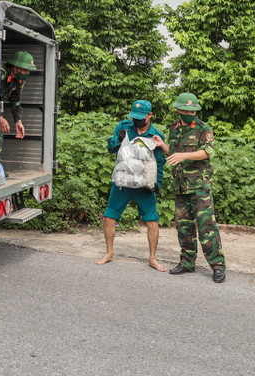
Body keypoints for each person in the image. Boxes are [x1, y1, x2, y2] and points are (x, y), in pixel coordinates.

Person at [156, 93, 226, 282]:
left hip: (199, 187)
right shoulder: (174, 129)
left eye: (192, 110)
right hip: (180, 186)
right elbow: (175, 154)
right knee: (183, 227)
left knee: (207, 227)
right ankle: (187, 262)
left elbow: (207, 152)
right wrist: (163, 145)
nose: (189, 113)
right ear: (178, 110)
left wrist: (184, 156)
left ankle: (217, 266)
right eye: (185, 110)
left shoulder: (204, 128)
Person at [96, 100, 168, 272]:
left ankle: (152, 258)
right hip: (123, 181)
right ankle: (109, 253)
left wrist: (157, 182)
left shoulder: (156, 135)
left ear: (150, 115)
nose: (136, 120)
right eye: (134, 117)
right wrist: (118, 140)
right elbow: (111, 149)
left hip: (144, 184)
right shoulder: (124, 126)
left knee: (152, 219)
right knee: (109, 217)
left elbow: (159, 162)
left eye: (141, 117)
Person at [0, 51, 37, 182]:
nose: (27, 74)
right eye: (25, 70)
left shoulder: (19, 80)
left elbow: (15, 101)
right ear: (16, 67)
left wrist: (18, 121)